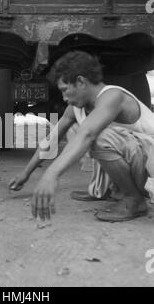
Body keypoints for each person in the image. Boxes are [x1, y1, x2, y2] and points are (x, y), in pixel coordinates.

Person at [9, 51, 154, 222]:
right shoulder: (77, 108)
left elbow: (88, 135)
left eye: (65, 90)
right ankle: (106, 190)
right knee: (85, 132)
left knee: (96, 136)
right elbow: (52, 140)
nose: (64, 98)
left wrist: (51, 174)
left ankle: (134, 200)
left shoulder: (112, 96)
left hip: (150, 167)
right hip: (137, 161)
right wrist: (26, 173)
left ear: (80, 81)